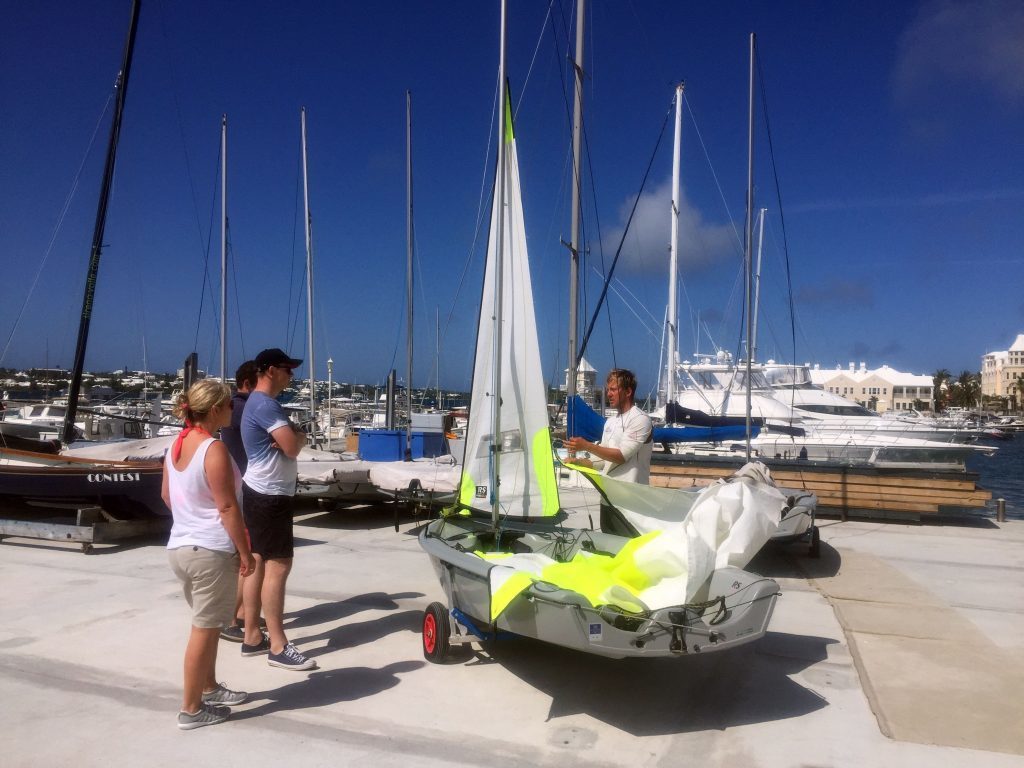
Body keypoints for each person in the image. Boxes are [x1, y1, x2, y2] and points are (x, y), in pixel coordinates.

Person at [162, 379, 256, 730]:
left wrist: (190, 520)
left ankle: (209, 687)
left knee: (210, 625)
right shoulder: (212, 449)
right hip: (211, 550)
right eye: (230, 405)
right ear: (215, 410)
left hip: (182, 547)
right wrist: (245, 552)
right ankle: (191, 708)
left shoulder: (176, 445)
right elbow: (228, 506)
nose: (234, 409)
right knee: (203, 629)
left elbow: (168, 496)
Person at [239, 347, 316, 671]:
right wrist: (298, 434)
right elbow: (291, 447)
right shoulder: (267, 406)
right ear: (270, 370)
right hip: (271, 495)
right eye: (287, 369)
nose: (292, 375)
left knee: (257, 560)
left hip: (259, 491)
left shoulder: (257, 404)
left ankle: (252, 634)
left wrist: (293, 436)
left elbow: (287, 444)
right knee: (278, 566)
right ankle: (278, 644)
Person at [565, 368, 653, 534]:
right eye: (608, 389)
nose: (608, 393)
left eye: (613, 389)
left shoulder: (640, 419)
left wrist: (587, 445)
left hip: (632, 503)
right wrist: (577, 462)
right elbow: (602, 462)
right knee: (609, 547)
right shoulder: (610, 422)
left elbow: (621, 457)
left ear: (628, 391)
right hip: (608, 499)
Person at [218, 360, 260, 642]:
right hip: (244, 489)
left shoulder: (237, 407)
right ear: (248, 383)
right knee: (246, 556)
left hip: (242, 486)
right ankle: (230, 618)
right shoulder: (244, 408)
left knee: (245, 555)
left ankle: (243, 612)